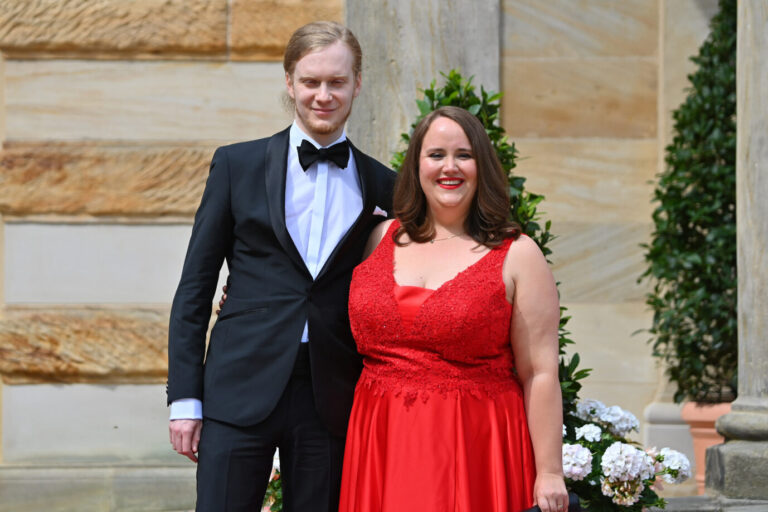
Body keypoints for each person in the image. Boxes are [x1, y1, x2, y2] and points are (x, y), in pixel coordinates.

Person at [166, 21, 396, 512]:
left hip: (332, 396)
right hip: (237, 388)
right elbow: (194, 289)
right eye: (311, 81)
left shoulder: (384, 184)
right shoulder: (236, 165)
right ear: (290, 81)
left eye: (337, 82)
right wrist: (185, 400)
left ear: (358, 84)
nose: (324, 95)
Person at [337, 106, 569, 512]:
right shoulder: (378, 237)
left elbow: (540, 372)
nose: (450, 167)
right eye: (436, 155)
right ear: (415, 166)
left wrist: (550, 472)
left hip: (473, 444)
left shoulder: (518, 255)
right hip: (380, 439)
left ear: (483, 166)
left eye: (464, 155)